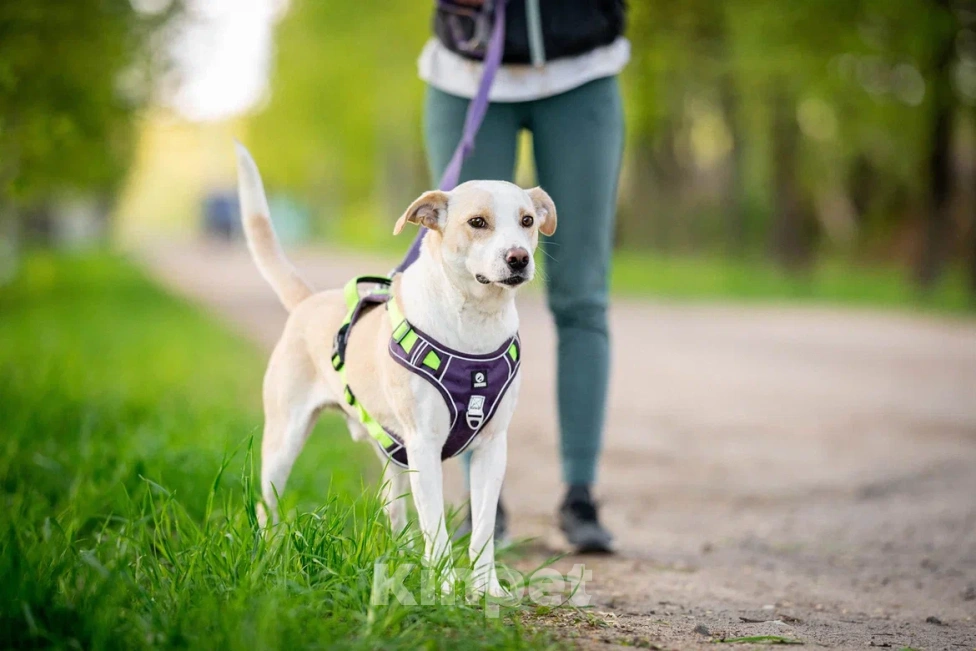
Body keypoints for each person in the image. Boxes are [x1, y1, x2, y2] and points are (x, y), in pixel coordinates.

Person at [412, 0, 627, 553]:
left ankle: (580, 496)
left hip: (584, 70)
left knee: (582, 297)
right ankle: (482, 505)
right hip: (467, 71)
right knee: (454, 292)